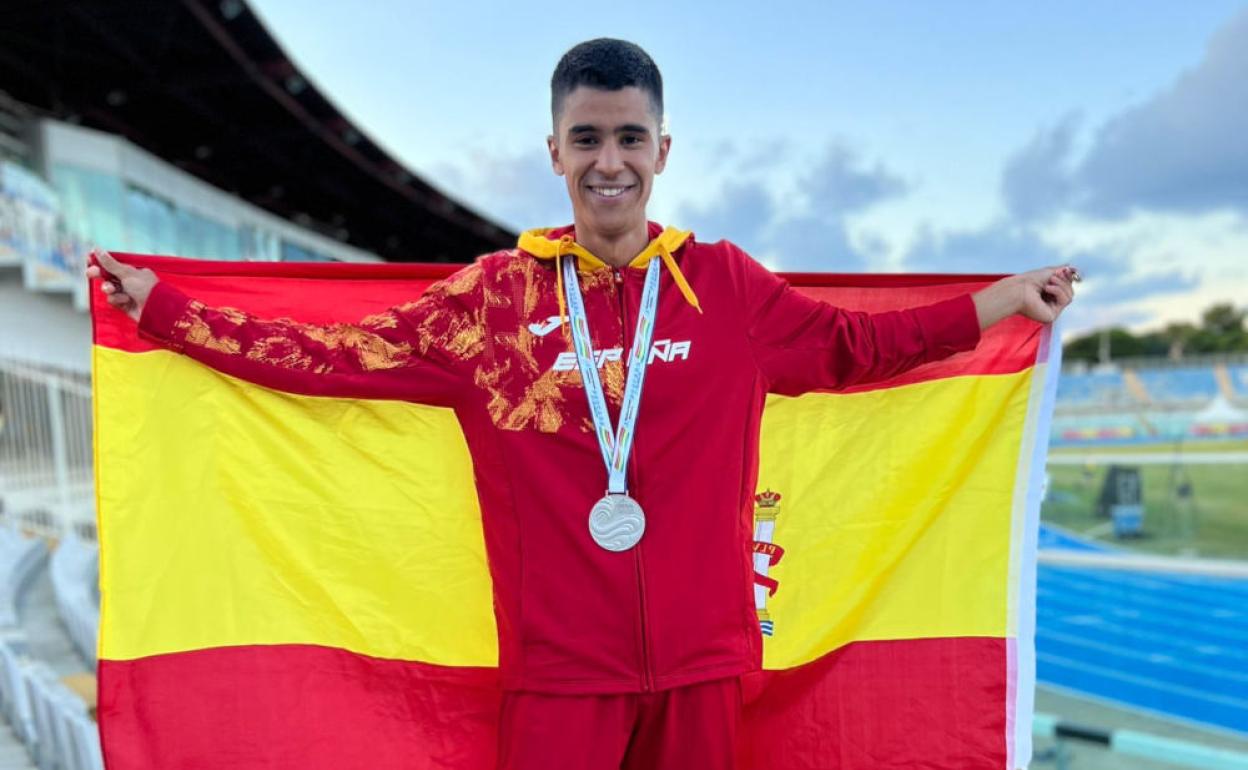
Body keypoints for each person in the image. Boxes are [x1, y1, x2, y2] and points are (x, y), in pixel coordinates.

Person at [87, 38, 1076, 770]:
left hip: (703, 667)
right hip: (559, 677)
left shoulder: (726, 287)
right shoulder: (493, 303)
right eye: (589, 137)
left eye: (630, 137)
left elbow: (864, 346)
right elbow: (330, 353)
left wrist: (1000, 302)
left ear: (663, 149)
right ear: (555, 152)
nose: (612, 158)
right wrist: (168, 312)